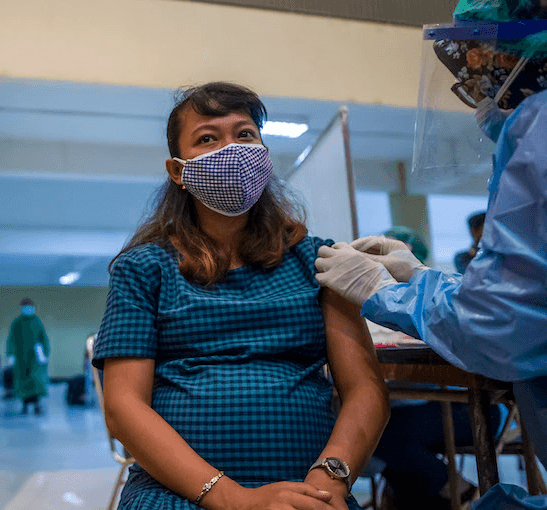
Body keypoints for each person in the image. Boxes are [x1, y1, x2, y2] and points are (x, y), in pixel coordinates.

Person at [93, 82, 389, 510]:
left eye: (245, 134)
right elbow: (123, 406)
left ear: (264, 155)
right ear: (178, 171)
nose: (231, 149)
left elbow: (365, 389)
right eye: (208, 138)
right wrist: (234, 499)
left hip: (308, 492)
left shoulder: (321, 262)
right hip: (176, 491)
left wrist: (329, 482)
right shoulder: (144, 268)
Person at [315, 1, 547, 505]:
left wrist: (383, 291)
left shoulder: (540, 132)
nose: (476, 78)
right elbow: (524, 301)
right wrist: (417, 277)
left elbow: (497, 324)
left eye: (480, 58)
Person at [366, 227, 498, 510]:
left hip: (477, 403)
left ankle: (459, 489)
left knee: (380, 431)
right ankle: (446, 493)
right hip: (425, 408)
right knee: (382, 433)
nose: (385, 267)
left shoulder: (436, 300)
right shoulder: (382, 307)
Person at [6, 297, 50, 415]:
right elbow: (12, 339)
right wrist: (10, 354)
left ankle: (37, 405)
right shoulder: (17, 323)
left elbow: (44, 339)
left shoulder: (37, 321)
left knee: (36, 380)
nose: (28, 309)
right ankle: (24, 406)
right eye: (25, 306)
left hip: (35, 357)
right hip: (21, 358)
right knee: (22, 382)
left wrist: (45, 354)